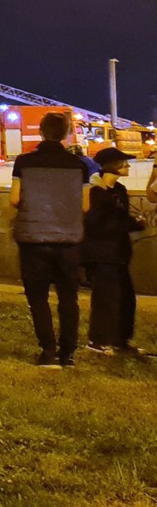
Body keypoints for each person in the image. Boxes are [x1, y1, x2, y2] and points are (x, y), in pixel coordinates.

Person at [10, 112, 90, 368]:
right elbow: (85, 205)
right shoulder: (79, 165)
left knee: (38, 297)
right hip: (68, 238)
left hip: (33, 236)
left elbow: (14, 199)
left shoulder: (24, 162)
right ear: (67, 134)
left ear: (41, 132)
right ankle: (68, 353)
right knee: (69, 297)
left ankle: (47, 350)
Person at [82, 147, 145, 355]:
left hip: (119, 254)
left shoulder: (119, 190)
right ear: (112, 165)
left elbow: (120, 219)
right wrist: (127, 223)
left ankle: (121, 340)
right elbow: (96, 225)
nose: (128, 166)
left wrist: (134, 222)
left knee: (126, 299)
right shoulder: (94, 192)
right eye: (123, 163)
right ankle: (98, 340)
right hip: (102, 254)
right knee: (106, 298)